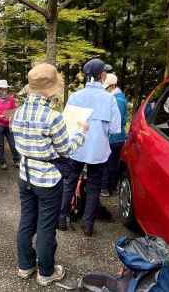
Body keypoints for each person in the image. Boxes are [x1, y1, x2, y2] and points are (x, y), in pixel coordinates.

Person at [12, 63, 87, 287]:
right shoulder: (53, 117)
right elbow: (66, 149)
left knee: (27, 221)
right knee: (46, 226)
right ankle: (46, 272)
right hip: (47, 179)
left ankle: (25, 266)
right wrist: (81, 133)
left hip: (25, 175)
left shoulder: (17, 112)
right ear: (50, 89)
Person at [59, 58, 121, 237]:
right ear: (102, 75)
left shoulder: (75, 96)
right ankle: (88, 226)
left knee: (69, 182)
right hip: (98, 151)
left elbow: (66, 123)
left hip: (76, 149)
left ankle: (61, 219)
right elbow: (116, 129)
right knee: (94, 188)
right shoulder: (109, 99)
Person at [101, 73, 127, 197]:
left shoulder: (117, 99)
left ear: (113, 86)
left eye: (107, 87)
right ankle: (111, 187)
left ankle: (107, 188)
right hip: (119, 137)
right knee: (112, 163)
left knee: (108, 163)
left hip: (114, 137)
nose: (105, 89)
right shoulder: (120, 97)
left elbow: (119, 120)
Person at [0, 79, 20, 170]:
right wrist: (0, 116)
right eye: (2, 89)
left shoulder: (11, 99)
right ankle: (2, 162)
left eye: (5, 89)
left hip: (9, 125)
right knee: (0, 145)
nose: (4, 91)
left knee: (13, 144)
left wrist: (13, 114)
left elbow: (14, 110)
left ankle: (16, 160)